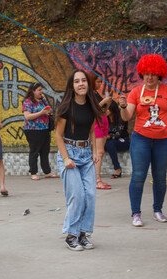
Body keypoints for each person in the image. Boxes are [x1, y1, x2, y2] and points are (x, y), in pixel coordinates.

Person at [117, 54, 167, 227]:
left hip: (164, 140)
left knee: (160, 177)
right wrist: (123, 106)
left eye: (153, 73)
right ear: (142, 74)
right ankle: (136, 213)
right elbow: (127, 116)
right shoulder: (135, 92)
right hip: (141, 139)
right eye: (146, 73)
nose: (150, 77)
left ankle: (158, 210)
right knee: (138, 176)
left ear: (159, 74)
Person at [55, 69, 102, 251]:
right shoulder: (66, 107)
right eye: (77, 81)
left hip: (85, 154)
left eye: (84, 81)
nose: (81, 84)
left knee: (90, 195)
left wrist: (95, 150)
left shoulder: (92, 106)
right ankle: (71, 235)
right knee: (78, 195)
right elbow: (58, 136)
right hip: (69, 154)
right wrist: (66, 158)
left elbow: (91, 130)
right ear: (72, 86)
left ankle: (83, 233)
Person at [22, 82, 57, 180]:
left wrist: (49, 112)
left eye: (41, 90)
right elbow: (27, 116)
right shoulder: (27, 102)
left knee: (45, 151)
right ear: (33, 91)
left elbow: (48, 111)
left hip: (45, 129)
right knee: (34, 151)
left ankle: (47, 172)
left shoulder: (43, 100)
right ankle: (33, 172)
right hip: (33, 130)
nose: (41, 92)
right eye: (39, 90)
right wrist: (41, 112)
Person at [89, 72, 112, 190]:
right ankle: (96, 179)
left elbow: (101, 111)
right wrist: (104, 102)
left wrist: (107, 105)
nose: (100, 84)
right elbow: (92, 109)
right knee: (99, 151)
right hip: (96, 124)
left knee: (101, 152)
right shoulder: (90, 94)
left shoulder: (96, 93)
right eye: (98, 81)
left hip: (102, 122)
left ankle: (97, 178)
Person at [105, 101, 130, 178]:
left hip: (123, 140)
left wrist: (107, 136)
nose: (105, 110)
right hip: (109, 141)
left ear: (113, 109)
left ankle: (117, 169)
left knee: (110, 143)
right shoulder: (105, 118)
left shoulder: (121, 117)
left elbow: (118, 135)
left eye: (107, 109)